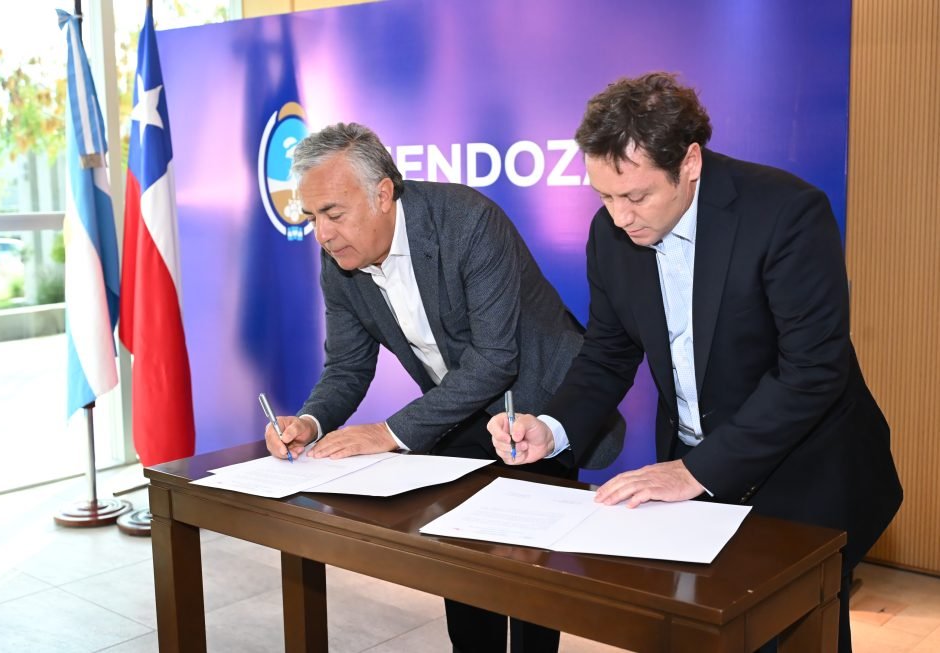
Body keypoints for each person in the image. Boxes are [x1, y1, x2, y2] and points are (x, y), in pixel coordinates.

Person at [488, 72, 902, 653]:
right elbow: (608, 352)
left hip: (804, 468)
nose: (620, 216)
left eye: (636, 197)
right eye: (605, 197)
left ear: (689, 162)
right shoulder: (610, 235)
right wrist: (552, 428)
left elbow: (812, 372)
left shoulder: (785, 213)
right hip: (696, 468)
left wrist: (695, 471)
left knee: (792, 630)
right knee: (699, 632)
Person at [263, 122, 622, 653]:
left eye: (333, 213)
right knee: (464, 568)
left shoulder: (467, 221)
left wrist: (388, 432)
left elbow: (496, 358)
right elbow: (347, 367)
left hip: (539, 402)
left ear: (382, 194)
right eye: (312, 216)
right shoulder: (338, 262)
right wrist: (310, 422)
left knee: (530, 580)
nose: (322, 233)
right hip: (457, 407)